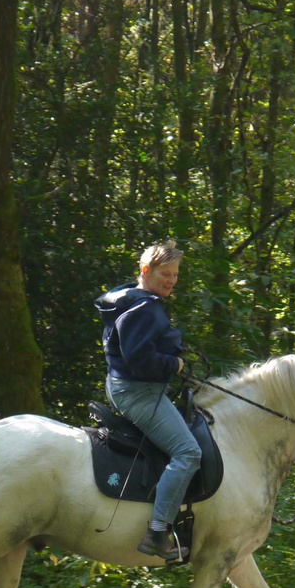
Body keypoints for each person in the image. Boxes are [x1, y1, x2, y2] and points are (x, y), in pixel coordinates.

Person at [94, 240, 200, 560]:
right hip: (137, 391)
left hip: (128, 385)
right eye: (165, 273)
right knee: (188, 452)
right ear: (145, 271)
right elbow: (140, 358)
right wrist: (175, 365)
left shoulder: (133, 298)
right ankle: (157, 533)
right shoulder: (143, 307)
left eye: (175, 275)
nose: (171, 280)